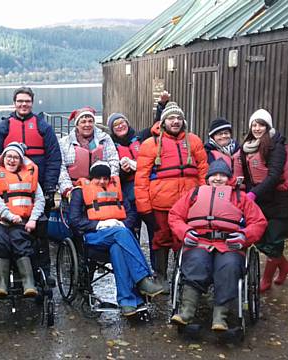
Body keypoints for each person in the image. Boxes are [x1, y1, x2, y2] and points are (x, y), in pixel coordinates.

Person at [168, 160, 267, 330]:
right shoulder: (195, 194)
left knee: (229, 266)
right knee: (196, 263)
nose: (218, 178)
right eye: (214, 175)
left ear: (229, 178)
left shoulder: (239, 197)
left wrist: (244, 236)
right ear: (208, 178)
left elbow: (259, 222)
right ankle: (186, 312)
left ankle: (220, 318)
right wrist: (184, 232)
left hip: (229, 244)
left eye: (222, 175)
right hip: (200, 242)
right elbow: (175, 215)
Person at [68, 161, 164, 316]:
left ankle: (127, 302)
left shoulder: (116, 191)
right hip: (93, 236)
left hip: (118, 237)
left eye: (105, 178)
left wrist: (121, 223)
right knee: (122, 234)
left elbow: (131, 213)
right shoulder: (80, 192)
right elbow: (74, 220)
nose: (102, 182)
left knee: (118, 247)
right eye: (97, 178)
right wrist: (100, 224)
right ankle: (143, 279)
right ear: (91, 178)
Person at [0, 87, 62, 285]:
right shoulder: (4, 127)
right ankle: (16, 272)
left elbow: (54, 158)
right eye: (20, 101)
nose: (23, 105)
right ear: (14, 103)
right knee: (10, 229)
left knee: (40, 232)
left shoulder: (43, 127)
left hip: (37, 188)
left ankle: (43, 272)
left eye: (27, 101)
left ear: (32, 103)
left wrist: (49, 188)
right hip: (10, 191)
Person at [134, 102, 209, 292]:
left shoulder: (194, 141)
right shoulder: (150, 144)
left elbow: (203, 171)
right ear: (163, 121)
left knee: (185, 239)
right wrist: (145, 209)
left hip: (190, 203)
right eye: (171, 118)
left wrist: (204, 197)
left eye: (178, 118)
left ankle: (183, 275)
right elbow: (141, 178)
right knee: (161, 238)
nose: (175, 122)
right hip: (161, 203)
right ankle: (160, 277)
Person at [233, 109, 288, 292]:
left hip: (280, 202)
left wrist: (254, 194)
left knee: (275, 240)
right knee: (260, 238)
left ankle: (266, 280)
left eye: (261, 124)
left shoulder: (277, 145)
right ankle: (284, 266)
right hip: (260, 201)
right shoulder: (247, 147)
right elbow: (244, 175)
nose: (257, 128)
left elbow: (275, 175)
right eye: (254, 124)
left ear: (267, 126)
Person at [0, 142, 45, 297]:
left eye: (16, 157)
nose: (11, 160)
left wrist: (33, 219)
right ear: (3, 158)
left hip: (23, 222)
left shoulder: (30, 177)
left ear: (21, 160)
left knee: (19, 240)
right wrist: (9, 215)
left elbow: (40, 200)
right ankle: (1, 283)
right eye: (9, 157)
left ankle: (28, 283)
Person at [58, 106, 119, 198]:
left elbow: (114, 161)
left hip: (101, 188)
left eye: (90, 121)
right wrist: (68, 189)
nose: (87, 124)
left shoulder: (105, 139)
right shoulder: (64, 143)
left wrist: (108, 184)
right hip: (75, 189)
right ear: (77, 125)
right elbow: (61, 167)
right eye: (83, 122)